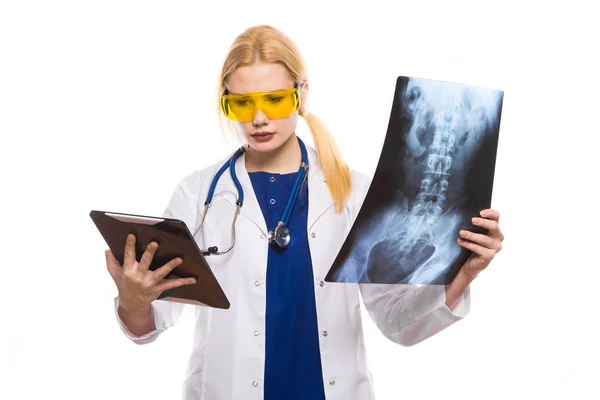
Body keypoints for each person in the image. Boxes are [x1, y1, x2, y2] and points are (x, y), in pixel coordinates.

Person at [105, 24, 504, 400]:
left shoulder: (355, 193)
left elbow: (399, 322)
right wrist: (134, 298)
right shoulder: (197, 195)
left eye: (274, 99)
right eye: (242, 104)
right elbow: (150, 324)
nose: (259, 118)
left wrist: (464, 273)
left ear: (302, 93)